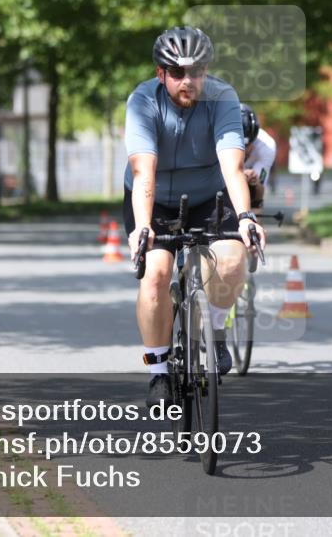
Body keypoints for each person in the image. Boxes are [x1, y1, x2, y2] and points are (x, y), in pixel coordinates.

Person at [124, 26, 267, 407]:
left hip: (208, 194)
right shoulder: (142, 102)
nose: (188, 81)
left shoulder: (222, 98)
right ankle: (158, 371)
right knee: (155, 273)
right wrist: (142, 227)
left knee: (234, 258)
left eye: (197, 72)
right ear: (161, 74)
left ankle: (215, 331)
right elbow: (143, 173)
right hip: (154, 200)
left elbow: (233, 166)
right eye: (177, 73)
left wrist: (245, 216)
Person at [239, 103, 277, 213]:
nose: (244, 150)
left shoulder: (267, 145)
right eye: (239, 145)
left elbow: (260, 190)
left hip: (250, 185)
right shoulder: (215, 139)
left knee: (255, 209)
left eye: (247, 145)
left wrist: (254, 179)